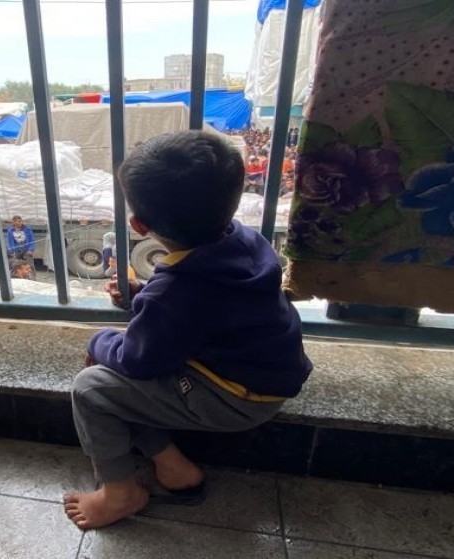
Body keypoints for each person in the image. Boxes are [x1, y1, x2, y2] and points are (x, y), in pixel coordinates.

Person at [63, 131, 312, 530]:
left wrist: (100, 340)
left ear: (139, 225)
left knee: (93, 388)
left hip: (235, 397)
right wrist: (144, 296)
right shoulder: (247, 241)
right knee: (121, 385)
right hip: (261, 375)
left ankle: (119, 493)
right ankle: (175, 469)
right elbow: (205, 309)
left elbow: (137, 360)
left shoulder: (176, 293)